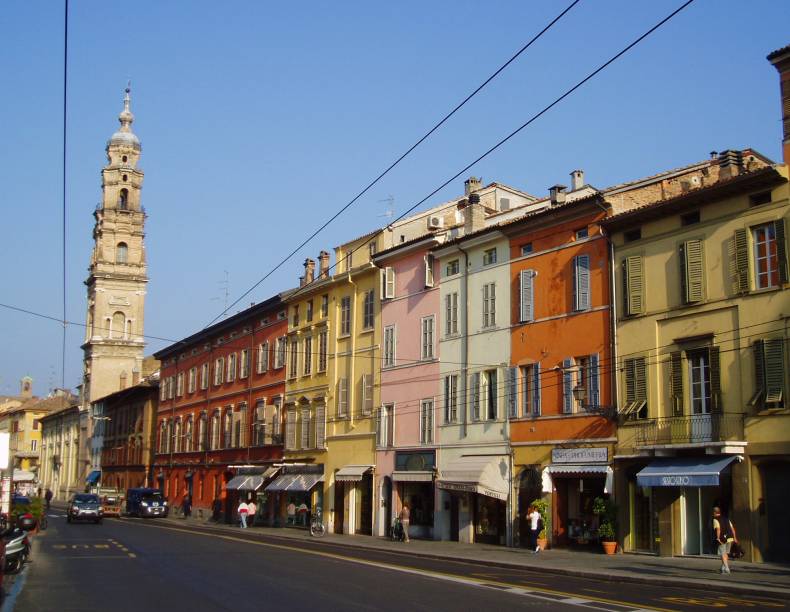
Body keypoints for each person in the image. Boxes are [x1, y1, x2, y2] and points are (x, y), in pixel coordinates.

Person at [713, 506, 738, 574]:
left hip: (722, 538)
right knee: (726, 553)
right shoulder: (726, 518)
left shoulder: (715, 519)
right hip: (729, 537)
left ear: (714, 512)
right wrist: (735, 537)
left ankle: (727, 568)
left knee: (722, 553)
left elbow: (718, 529)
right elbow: (732, 528)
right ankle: (723, 567)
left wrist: (718, 538)